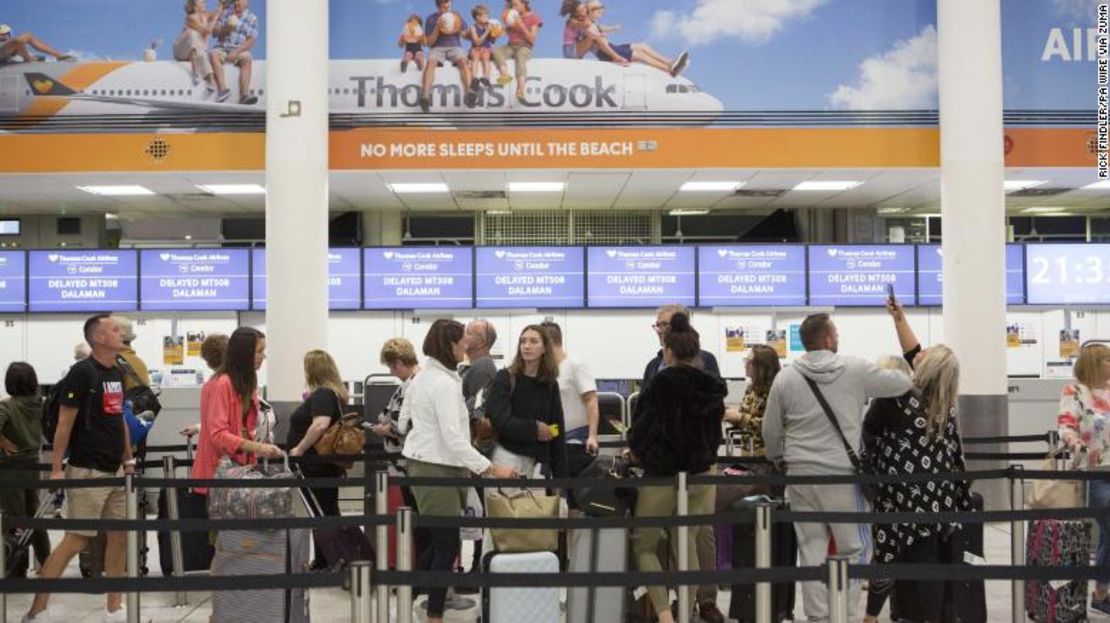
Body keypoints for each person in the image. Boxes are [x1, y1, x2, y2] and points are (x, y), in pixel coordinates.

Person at [762, 312, 913, 623]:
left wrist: (780, 458)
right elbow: (900, 383)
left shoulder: (786, 378)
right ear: (828, 339)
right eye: (836, 333)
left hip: (801, 478)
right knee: (852, 550)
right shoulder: (854, 369)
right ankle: (843, 615)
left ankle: (817, 619)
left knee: (810, 551)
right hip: (842, 478)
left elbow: (771, 430)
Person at [399, 319, 517, 623]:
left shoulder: (428, 378)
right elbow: (453, 437)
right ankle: (433, 615)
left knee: (439, 542)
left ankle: (416, 600)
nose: (467, 344)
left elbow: (405, 422)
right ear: (448, 344)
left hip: (432, 464)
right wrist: (491, 468)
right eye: (462, 339)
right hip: (436, 468)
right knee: (446, 544)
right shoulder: (442, 383)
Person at [862, 300, 972, 623]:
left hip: (903, 500)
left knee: (910, 566)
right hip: (939, 500)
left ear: (927, 369)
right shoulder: (943, 403)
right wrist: (900, 320)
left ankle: (911, 615)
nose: (917, 355)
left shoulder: (897, 398)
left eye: (923, 356)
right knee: (929, 561)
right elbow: (915, 352)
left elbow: (869, 431)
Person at [23, 314, 134, 623]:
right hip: (88, 470)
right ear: (98, 338)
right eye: (114, 329)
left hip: (115, 471)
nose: (120, 332)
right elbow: (64, 423)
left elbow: (119, 418)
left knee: (120, 537)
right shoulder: (82, 373)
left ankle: (114, 608)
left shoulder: (118, 372)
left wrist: (128, 458)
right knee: (76, 539)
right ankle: (37, 610)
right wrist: (56, 469)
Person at [627, 312, 726, 623]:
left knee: (644, 545)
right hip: (702, 475)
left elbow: (641, 432)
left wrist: (639, 452)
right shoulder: (712, 387)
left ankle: (666, 614)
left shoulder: (660, 383)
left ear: (668, 351)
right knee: (689, 542)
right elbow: (715, 435)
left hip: (663, 477)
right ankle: (687, 610)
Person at [191, 327, 282, 499]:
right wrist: (259, 447)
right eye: (259, 351)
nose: (264, 356)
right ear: (244, 353)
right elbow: (218, 434)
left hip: (240, 471)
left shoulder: (246, 384)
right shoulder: (223, 384)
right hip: (217, 475)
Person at [1056, 341, 1110, 615]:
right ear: (1094, 364)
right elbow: (1065, 424)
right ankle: (1101, 591)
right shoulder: (1075, 391)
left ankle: (1101, 593)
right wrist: (1074, 440)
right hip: (1094, 472)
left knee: (1107, 536)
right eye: (1108, 360)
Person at [483, 324, 569, 488]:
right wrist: (534, 428)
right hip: (507, 458)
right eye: (523, 341)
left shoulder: (550, 384)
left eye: (533, 341)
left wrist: (562, 482)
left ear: (545, 349)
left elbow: (556, 429)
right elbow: (500, 420)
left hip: (538, 465)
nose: (527, 346)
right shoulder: (505, 378)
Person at [287, 349, 349, 571]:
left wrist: (299, 449)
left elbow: (320, 424)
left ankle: (334, 560)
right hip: (323, 465)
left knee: (321, 512)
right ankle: (329, 559)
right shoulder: (333, 394)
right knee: (325, 511)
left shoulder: (323, 393)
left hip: (315, 466)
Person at [0, 362, 50, 578]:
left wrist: (2, 440)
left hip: (11, 468)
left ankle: (16, 567)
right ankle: (47, 563)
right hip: (33, 463)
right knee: (34, 514)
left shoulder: (7, 407)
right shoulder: (40, 404)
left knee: (14, 517)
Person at [541, 320, 599, 454]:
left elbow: (591, 400)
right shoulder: (547, 370)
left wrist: (592, 436)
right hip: (554, 438)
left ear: (547, 343)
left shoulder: (575, 365)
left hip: (576, 440)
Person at [583, 1, 688, 75]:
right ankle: (669, 70)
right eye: (599, 10)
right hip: (608, 52)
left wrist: (613, 28)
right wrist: (616, 57)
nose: (602, 11)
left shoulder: (592, 23)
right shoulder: (587, 26)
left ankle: (670, 62)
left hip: (612, 47)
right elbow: (599, 43)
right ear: (590, 11)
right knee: (640, 55)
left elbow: (600, 28)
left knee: (643, 46)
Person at [642, 304, 720, 390]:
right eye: (658, 325)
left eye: (664, 324)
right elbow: (643, 400)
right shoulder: (653, 365)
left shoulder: (705, 359)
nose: (659, 331)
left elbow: (713, 396)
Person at [419, 0, 477, 113]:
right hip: (437, 47)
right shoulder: (431, 19)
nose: (447, 10)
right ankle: (425, 97)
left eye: (449, 7)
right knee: (430, 63)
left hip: (455, 46)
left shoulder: (456, 16)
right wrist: (437, 28)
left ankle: (469, 93)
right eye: (444, 8)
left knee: (463, 62)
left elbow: (464, 35)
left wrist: (469, 32)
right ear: (438, 7)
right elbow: (429, 43)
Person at [724, 344, 780, 454]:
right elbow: (744, 417)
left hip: (767, 456)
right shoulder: (752, 388)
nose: (745, 365)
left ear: (762, 366)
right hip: (749, 451)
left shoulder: (775, 390)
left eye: (750, 362)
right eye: (746, 360)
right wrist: (730, 415)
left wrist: (740, 418)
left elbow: (770, 426)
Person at [209, 0, 259, 105]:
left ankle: (244, 95)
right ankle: (223, 89)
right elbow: (214, 33)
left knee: (247, 58)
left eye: (239, 1)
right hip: (222, 48)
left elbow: (251, 41)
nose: (236, 3)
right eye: (235, 1)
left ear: (246, 2)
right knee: (213, 54)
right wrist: (227, 28)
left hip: (238, 50)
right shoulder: (226, 13)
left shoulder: (252, 18)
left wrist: (236, 52)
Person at [491, 0, 542, 102]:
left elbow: (532, 39)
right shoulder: (512, 16)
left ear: (524, 3)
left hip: (525, 46)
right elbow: (503, 33)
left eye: (516, 5)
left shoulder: (534, 18)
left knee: (520, 56)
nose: (513, 7)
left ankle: (521, 90)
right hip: (510, 46)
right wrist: (495, 31)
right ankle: (505, 75)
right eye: (512, 5)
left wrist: (521, 24)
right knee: (495, 51)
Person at [174, 0, 222, 90]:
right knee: (192, 34)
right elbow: (207, 31)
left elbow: (219, 13)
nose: (205, 3)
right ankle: (195, 70)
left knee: (202, 55)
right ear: (195, 7)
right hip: (181, 50)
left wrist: (221, 5)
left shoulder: (206, 15)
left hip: (196, 50)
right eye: (202, 2)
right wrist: (216, 17)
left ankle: (210, 81)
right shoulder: (191, 18)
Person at [0, 24, 73, 63]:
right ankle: (29, 59)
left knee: (27, 36)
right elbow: (16, 43)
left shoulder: (6, 44)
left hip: (4, 52)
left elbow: (16, 46)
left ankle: (60, 56)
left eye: (6, 34)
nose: (4, 35)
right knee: (16, 42)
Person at [467, 5, 495, 88]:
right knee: (475, 57)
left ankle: (486, 77)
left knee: (486, 57)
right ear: (478, 17)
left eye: (488, 16)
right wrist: (486, 32)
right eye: (485, 16)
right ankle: (474, 78)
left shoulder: (488, 27)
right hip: (476, 48)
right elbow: (477, 42)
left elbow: (492, 41)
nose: (487, 18)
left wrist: (493, 33)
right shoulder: (473, 28)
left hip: (486, 48)